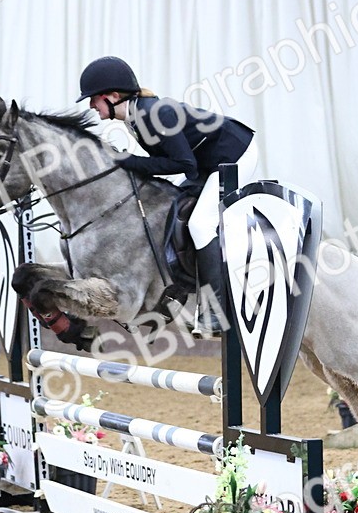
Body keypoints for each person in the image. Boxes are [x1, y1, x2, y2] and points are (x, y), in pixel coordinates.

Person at [76, 56, 259, 335]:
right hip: (206, 163)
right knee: (170, 212)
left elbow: (185, 166)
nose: (91, 105)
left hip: (233, 156)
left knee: (200, 224)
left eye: (94, 99)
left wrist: (128, 161)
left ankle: (215, 311)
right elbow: (167, 162)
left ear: (113, 96)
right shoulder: (133, 118)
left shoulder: (153, 113)